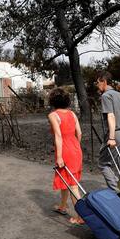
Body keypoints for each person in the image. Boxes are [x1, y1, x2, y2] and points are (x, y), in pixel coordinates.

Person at [48, 87, 84, 225]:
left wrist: (59, 156)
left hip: (65, 151)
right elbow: (79, 133)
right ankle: (63, 206)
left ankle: (81, 217)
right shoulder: (72, 114)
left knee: (73, 185)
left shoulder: (53, 115)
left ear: (52, 101)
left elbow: (58, 136)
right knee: (67, 180)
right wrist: (75, 146)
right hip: (76, 148)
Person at [96, 71, 120, 191]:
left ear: (104, 82)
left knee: (103, 163)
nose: (97, 85)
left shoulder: (106, 96)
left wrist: (111, 137)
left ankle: (117, 191)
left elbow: (111, 116)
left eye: (98, 82)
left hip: (117, 135)